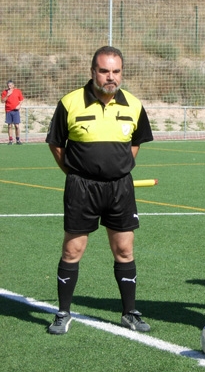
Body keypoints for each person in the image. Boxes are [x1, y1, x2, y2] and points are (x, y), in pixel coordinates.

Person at [45, 46, 154, 335]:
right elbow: (56, 144)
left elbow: (135, 143)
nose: (110, 77)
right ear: (93, 71)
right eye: (104, 71)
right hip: (82, 188)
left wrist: (120, 167)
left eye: (116, 71)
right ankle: (63, 313)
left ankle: (129, 312)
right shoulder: (70, 103)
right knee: (72, 250)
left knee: (124, 249)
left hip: (120, 189)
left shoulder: (133, 104)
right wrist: (74, 173)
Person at [2, 80, 24, 145]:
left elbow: (21, 99)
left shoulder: (18, 91)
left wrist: (19, 105)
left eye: (10, 85)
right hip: (8, 110)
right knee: (9, 126)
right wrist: (7, 95)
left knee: (17, 126)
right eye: (8, 85)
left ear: (13, 85)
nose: (9, 87)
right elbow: (2, 101)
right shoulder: (4, 92)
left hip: (16, 111)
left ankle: (18, 139)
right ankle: (10, 140)